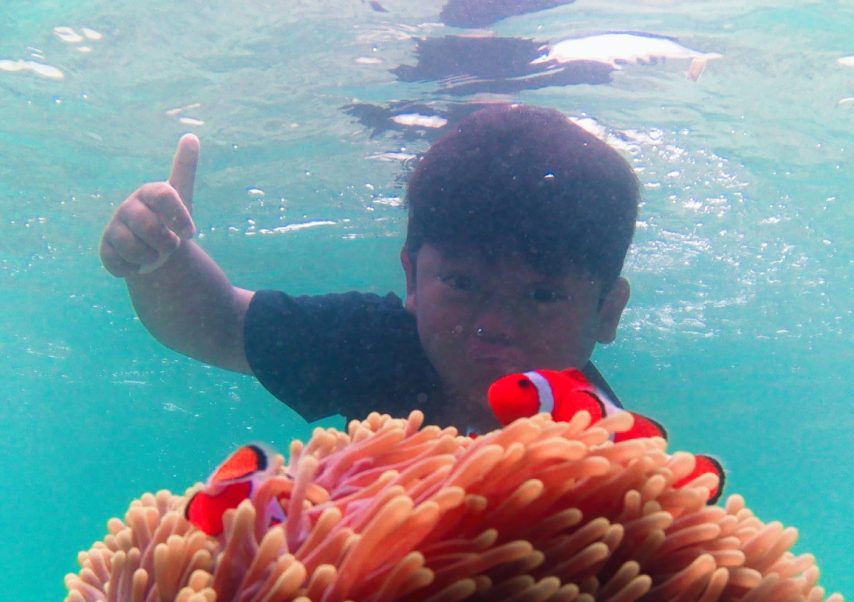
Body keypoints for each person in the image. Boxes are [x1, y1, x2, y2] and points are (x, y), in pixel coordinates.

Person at [99, 104, 639, 434]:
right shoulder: (376, 345)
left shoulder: (610, 441)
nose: (494, 323)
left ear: (607, 312)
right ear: (411, 280)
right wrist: (162, 261)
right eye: (460, 283)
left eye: (542, 295)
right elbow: (218, 324)